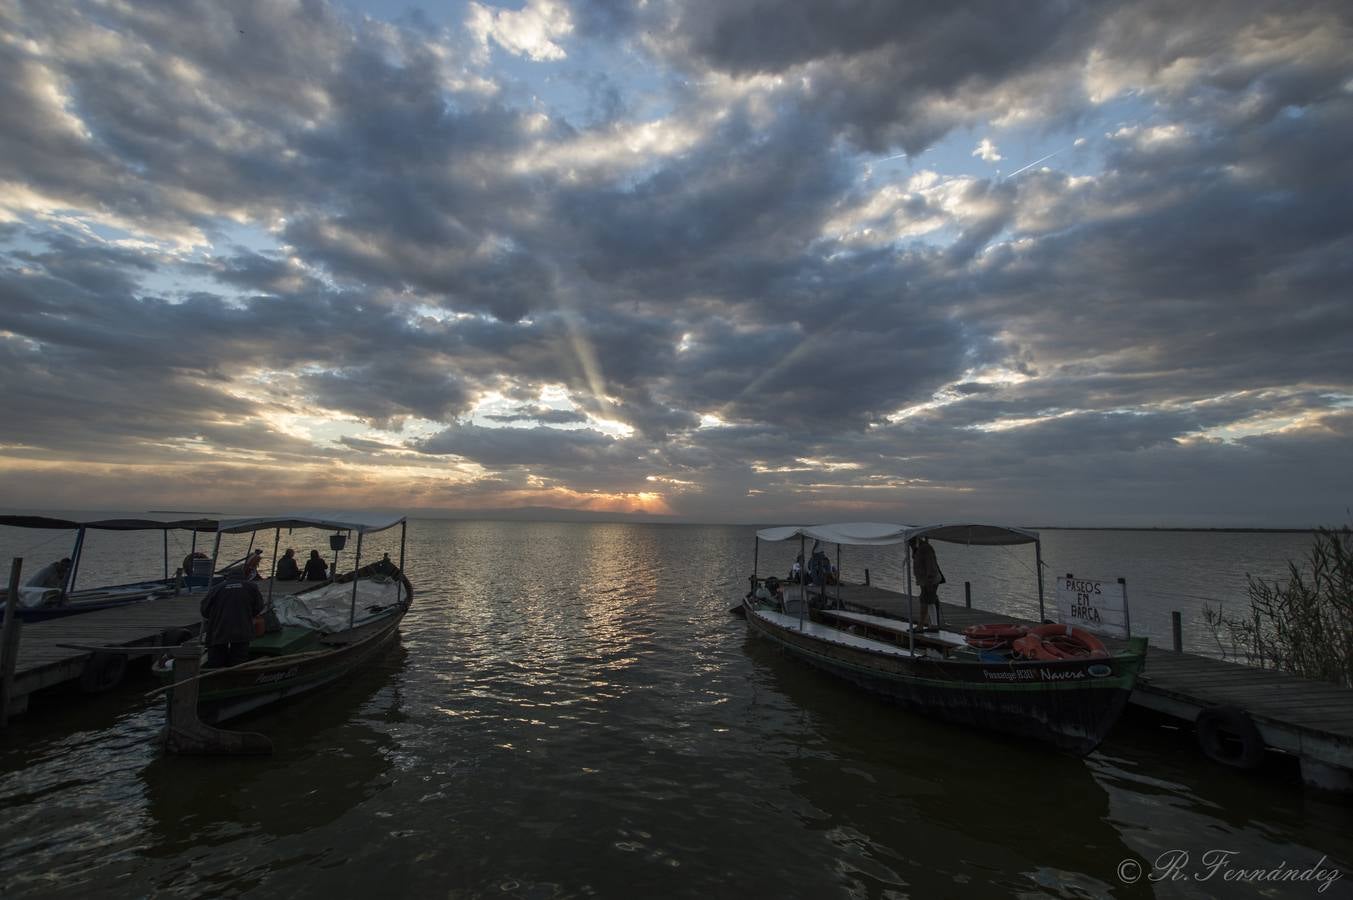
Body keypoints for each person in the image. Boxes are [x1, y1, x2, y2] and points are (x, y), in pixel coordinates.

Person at [199, 570, 264, 668]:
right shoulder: (251, 587)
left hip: (219, 629)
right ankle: (237, 677)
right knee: (239, 659)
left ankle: (216, 677)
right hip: (242, 628)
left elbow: (204, 610)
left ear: (227, 578)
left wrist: (215, 618)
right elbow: (259, 606)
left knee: (216, 659)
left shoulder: (216, 588)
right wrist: (248, 615)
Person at [909, 536, 945, 628]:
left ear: (916, 540)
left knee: (924, 600)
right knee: (930, 601)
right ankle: (934, 625)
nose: (909, 545)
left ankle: (921, 625)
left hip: (930, 580)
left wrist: (929, 581)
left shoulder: (926, 548)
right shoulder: (917, 548)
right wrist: (914, 550)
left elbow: (931, 565)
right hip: (924, 580)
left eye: (911, 542)